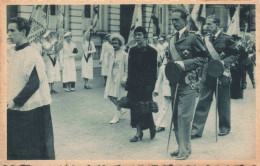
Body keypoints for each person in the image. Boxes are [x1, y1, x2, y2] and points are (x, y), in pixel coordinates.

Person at [7, 17, 55, 160]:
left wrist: (15, 101)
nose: (8, 34)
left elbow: (34, 83)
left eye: (12, 30)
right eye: (8, 30)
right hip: (17, 107)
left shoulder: (31, 54)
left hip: (33, 111)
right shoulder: (14, 52)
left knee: (33, 149)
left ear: (23, 31)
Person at [191, 15, 239, 140]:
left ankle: (224, 127)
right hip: (208, 75)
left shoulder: (227, 39)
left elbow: (236, 54)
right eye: (206, 24)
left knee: (223, 103)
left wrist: (223, 62)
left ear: (217, 25)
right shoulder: (205, 39)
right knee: (202, 102)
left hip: (222, 75)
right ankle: (196, 129)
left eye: (210, 24)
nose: (207, 26)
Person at [168, 9, 208, 160]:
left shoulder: (193, 38)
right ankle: (181, 147)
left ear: (185, 20)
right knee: (175, 117)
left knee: (184, 117)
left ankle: (184, 150)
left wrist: (184, 64)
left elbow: (204, 58)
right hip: (174, 82)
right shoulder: (171, 39)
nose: (174, 22)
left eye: (176, 19)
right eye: (172, 20)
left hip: (189, 83)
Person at [125, 26, 157, 142]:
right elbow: (130, 69)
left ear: (145, 36)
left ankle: (151, 126)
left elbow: (154, 71)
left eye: (139, 35)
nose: (137, 37)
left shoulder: (152, 52)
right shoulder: (132, 50)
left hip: (146, 85)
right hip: (134, 85)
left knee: (145, 108)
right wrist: (128, 83)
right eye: (136, 35)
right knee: (134, 109)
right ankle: (139, 133)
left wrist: (151, 86)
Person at [104, 33, 128, 124]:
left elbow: (126, 69)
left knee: (118, 97)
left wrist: (124, 79)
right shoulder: (111, 52)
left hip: (119, 78)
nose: (114, 45)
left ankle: (117, 116)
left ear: (120, 44)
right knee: (110, 95)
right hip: (111, 77)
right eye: (113, 43)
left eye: (116, 44)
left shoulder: (124, 55)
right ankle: (121, 110)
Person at [153, 57, 172, 133]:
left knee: (177, 109)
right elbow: (159, 80)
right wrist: (156, 90)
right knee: (164, 108)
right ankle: (160, 124)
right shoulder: (163, 67)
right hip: (167, 90)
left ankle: (177, 125)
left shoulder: (178, 64)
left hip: (177, 90)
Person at [230, 34, 248, 99]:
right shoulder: (232, 47)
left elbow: (245, 56)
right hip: (233, 66)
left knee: (240, 79)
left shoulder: (242, 48)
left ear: (237, 40)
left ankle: (238, 95)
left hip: (240, 66)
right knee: (234, 80)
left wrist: (238, 61)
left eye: (234, 40)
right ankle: (233, 94)